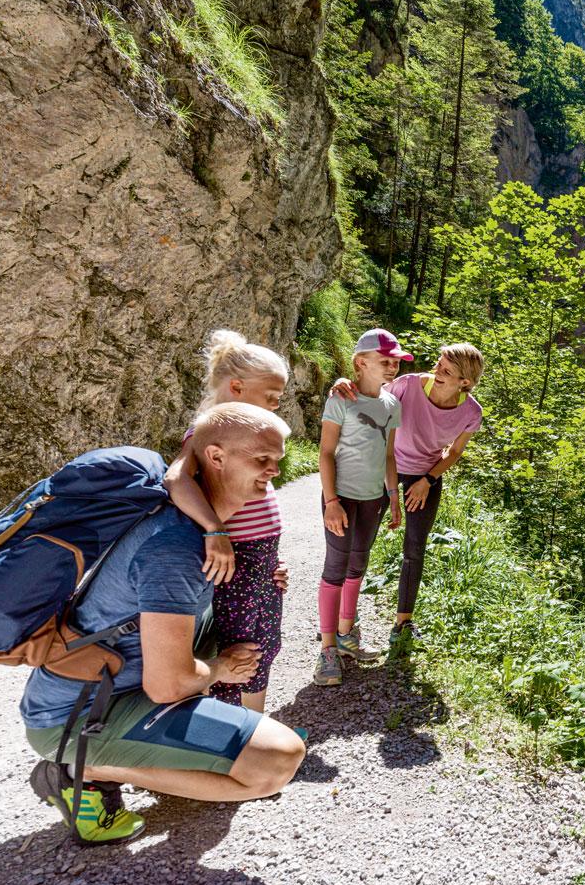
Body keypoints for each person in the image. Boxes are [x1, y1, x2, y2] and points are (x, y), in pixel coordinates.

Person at [23, 403, 306, 845]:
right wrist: (220, 670)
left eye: (278, 459)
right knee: (276, 762)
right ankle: (77, 768)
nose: (274, 469)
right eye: (261, 459)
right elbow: (169, 685)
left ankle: (162, 751)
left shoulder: (199, 526)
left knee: (248, 627)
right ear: (215, 457)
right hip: (75, 718)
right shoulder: (176, 548)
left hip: (115, 690)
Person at [164, 330, 289, 713]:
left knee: (265, 645)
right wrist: (216, 530)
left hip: (259, 561)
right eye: (270, 398)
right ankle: (227, 736)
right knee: (237, 653)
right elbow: (176, 480)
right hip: (235, 563)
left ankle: (255, 727)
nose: (274, 407)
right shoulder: (207, 430)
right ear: (236, 386)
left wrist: (270, 563)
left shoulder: (249, 434)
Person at [333, 344, 483, 648]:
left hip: (425, 476)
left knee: (415, 548)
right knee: (363, 540)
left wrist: (428, 480)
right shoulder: (409, 384)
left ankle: (403, 623)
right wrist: (344, 384)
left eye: (447, 371)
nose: (437, 371)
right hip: (382, 465)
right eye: (439, 364)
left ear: (464, 382)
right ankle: (346, 617)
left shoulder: (471, 412)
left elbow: (454, 452)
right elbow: (370, 396)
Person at [314, 328, 406, 686]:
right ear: (360, 363)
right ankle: (326, 651)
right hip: (342, 497)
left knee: (358, 564)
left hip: (374, 499)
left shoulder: (392, 404)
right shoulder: (341, 399)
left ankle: (346, 635)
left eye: (395, 362)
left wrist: (393, 497)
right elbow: (324, 453)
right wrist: (332, 502)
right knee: (335, 566)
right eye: (384, 361)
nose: (391, 367)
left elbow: (387, 454)